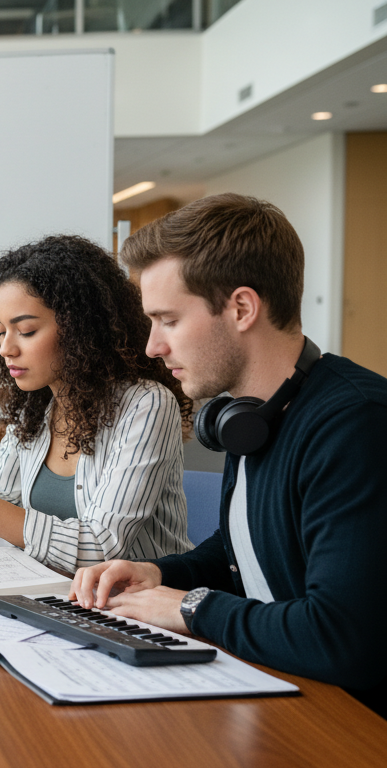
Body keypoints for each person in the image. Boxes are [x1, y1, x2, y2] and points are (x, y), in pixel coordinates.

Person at [71, 194, 387, 717]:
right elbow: (246, 545)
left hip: (350, 720)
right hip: (280, 689)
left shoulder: (355, 424)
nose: (153, 346)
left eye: (167, 320)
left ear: (241, 308)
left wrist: (191, 607)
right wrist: (161, 574)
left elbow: (342, 638)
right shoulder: (248, 417)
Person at [0, 235, 193, 571]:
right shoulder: (37, 407)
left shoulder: (145, 404)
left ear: (80, 329)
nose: (6, 349)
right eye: (0, 331)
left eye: (26, 330)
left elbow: (101, 547)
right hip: (58, 597)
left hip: (137, 610)